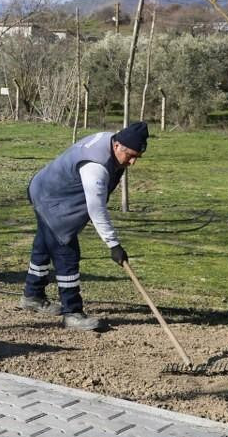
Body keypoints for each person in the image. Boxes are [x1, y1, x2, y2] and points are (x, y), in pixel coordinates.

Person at [20, 122, 148, 330]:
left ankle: (32, 295)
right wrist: (113, 245)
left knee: (44, 244)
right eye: (131, 156)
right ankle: (72, 313)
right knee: (66, 253)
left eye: (137, 157)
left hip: (43, 188)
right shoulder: (95, 167)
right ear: (117, 146)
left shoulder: (111, 140)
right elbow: (96, 209)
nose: (132, 162)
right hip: (52, 199)